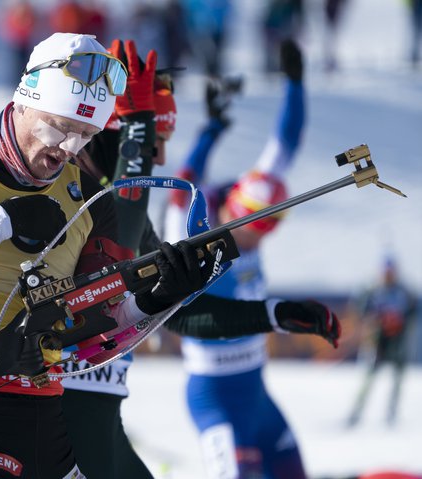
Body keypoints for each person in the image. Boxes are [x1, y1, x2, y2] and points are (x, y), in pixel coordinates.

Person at [0, 32, 220, 479]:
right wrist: (1, 221)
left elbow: (95, 338)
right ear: (24, 100)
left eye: (86, 135)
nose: (69, 149)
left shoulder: (90, 199)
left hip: (48, 425)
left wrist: (159, 300)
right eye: (60, 127)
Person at [62, 39, 340, 479]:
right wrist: (151, 127)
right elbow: (151, 195)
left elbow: (179, 315)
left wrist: (276, 314)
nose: (161, 157)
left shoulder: (131, 213)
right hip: (59, 411)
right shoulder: (93, 202)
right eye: (156, 143)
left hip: (105, 404)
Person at [163, 38, 314, 478]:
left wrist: (296, 84)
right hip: (216, 398)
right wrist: (209, 134)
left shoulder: (257, 205)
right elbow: (181, 189)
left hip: (257, 394)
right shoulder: (197, 231)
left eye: (260, 235)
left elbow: (286, 142)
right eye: (247, 230)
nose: (252, 241)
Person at [346, 256, 418, 428]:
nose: (388, 275)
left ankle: (391, 414)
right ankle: (356, 414)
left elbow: (414, 312)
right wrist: (376, 318)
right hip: (378, 342)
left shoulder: (403, 292)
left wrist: (400, 321)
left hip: (397, 342)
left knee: (397, 380)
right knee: (369, 379)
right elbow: (360, 308)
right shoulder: (374, 291)